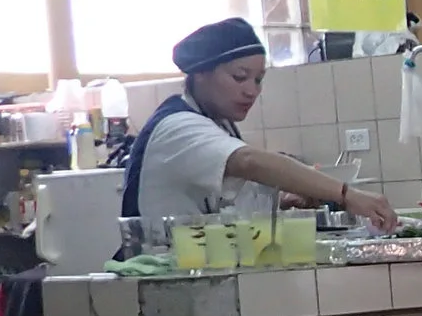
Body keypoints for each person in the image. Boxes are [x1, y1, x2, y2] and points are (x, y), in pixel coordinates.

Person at [121, 19, 395, 233]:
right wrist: (346, 194)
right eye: (240, 77)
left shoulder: (219, 124)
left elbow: (227, 204)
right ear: (200, 74)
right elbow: (250, 161)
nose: (251, 91)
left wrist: (284, 201)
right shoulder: (178, 126)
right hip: (157, 276)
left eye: (258, 80)